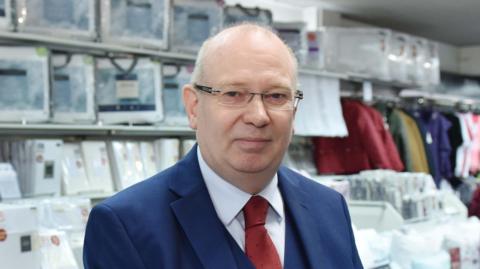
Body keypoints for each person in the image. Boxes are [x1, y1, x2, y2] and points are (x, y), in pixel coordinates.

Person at [83, 23, 363, 269]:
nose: (258, 116)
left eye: (276, 96)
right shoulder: (126, 226)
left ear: (295, 111)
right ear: (194, 107)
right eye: (233, 94)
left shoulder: (329, 208)